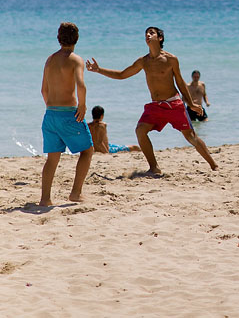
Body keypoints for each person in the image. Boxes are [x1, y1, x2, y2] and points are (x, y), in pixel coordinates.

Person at [86, 26, 218, 175]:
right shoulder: (143, 61)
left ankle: (214, 165)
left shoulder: (171, 59)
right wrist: (99, 70)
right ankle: (154, 167)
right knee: (140, 131)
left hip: (173, 103)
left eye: (151, 33)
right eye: (146, 34)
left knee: (190, 136)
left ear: (160, 38)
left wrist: (191, 104)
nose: (148, 35)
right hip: (155, 106)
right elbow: (122, 74)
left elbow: (180, 82)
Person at [39, 22, 94, 205]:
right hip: (69, 114)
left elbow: (43, 90)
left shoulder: (50, 59)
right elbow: (81, 85)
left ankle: (45, 199)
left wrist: (51, 107)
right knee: (87, 151)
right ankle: (76, 193)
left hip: (50, 115)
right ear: (76, 39)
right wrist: (83, 105)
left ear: (58, 38)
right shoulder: (76, 59)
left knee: (52, 158)